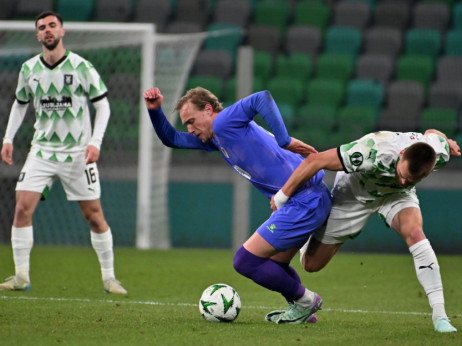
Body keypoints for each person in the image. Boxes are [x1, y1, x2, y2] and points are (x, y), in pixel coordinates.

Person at [144, 86, 332, 324]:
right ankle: (301, 311)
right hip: (308, 198)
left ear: (209, 109)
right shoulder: (216, 138)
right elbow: (172, 138)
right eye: (186, 124)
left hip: (304, 199)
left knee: (245, 261)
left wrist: (284, 140)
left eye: (191, 121)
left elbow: (261, 98)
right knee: (274, 264)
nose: (190, 129)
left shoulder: (223, 122)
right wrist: (155, 111)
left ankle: (306, 301)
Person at [271, 130, 461, 333]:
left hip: (395, 196)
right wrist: (282, 196)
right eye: (402, 175)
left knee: (415, 233)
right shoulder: (372, 151)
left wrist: (446, 140)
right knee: (311, 264)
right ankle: (322, 222)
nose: (404, 180)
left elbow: (431, 133)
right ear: (402, 154)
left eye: (412, 180)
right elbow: (315, 160)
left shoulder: (439, 153)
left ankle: (440, 316)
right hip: (353, 195)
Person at [0, 11, 127, 294]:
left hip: (78, 153)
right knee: (21, 207)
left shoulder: (82, 67)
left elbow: (103, 106)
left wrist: (95, 142)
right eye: (42, 27)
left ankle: (109, 278)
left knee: (94, 215)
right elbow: (20, 104)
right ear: (37, 35)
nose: (47, 30)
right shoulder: (28, 69)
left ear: (62, 31)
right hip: (42, 151)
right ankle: (21, 277)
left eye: (52, 25)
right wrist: (8, 138)